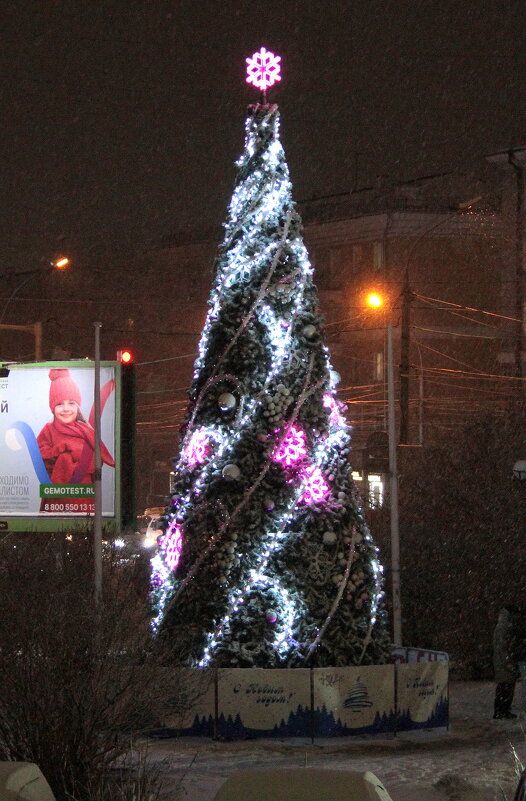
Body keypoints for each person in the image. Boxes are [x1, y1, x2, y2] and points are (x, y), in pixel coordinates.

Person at [37, 368, 115, 484]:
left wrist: (77, 458)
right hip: (55, 496)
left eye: (71, 403)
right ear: (53, 408)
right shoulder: (48, 430)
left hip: (84, 495)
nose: (66, 409)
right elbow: (40, 459)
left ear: (77, 406)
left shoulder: (85, 430)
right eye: (59, 404)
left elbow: (98, 460)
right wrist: (61, 452)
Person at [492, 605, 519, 720]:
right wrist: (509, 662)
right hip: (504, 662)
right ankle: (502, 711)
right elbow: (503, 647)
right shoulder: (505, 627)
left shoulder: (502, 626)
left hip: (501, 662)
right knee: (506, 687)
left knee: (503, 687)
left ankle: (501, 711)